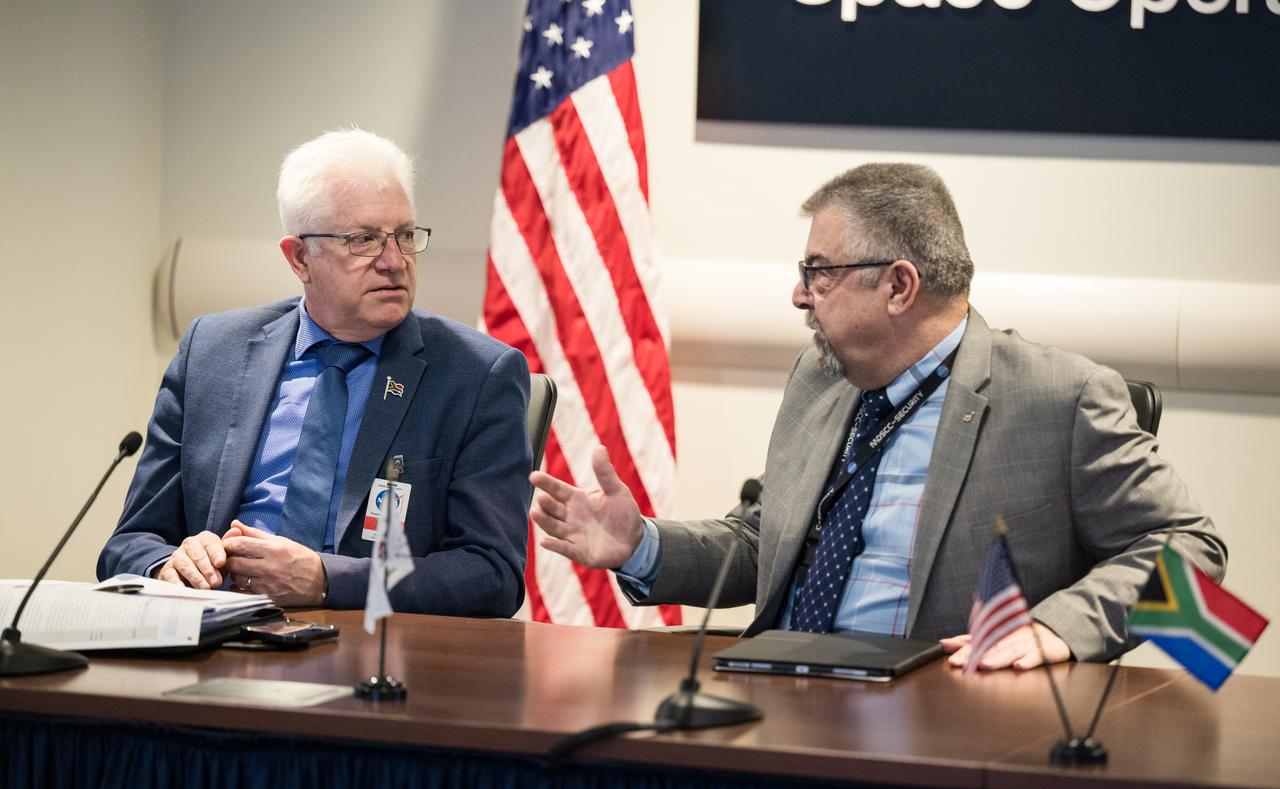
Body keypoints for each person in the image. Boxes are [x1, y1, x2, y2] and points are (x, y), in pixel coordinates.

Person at [529, 163, 1226, 670]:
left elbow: (1194, 552)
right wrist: (640, 543)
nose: (799, 295)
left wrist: (1061, 629)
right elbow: (766, 543)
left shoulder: (1060, 398)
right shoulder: (820, 375)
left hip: (937, 725)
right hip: (776, 694)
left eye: (819, 272)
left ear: (899, 285)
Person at [99, 129, 531, 616]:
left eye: (405, 235)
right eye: (363, 240)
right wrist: (168, 565)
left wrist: (327, 580)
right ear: (299, 257)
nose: (395, 261)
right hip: (213, 634)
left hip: (367, 654)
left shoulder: (477, 375)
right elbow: (128, 543)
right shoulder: (212, 353)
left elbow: (491, 574)